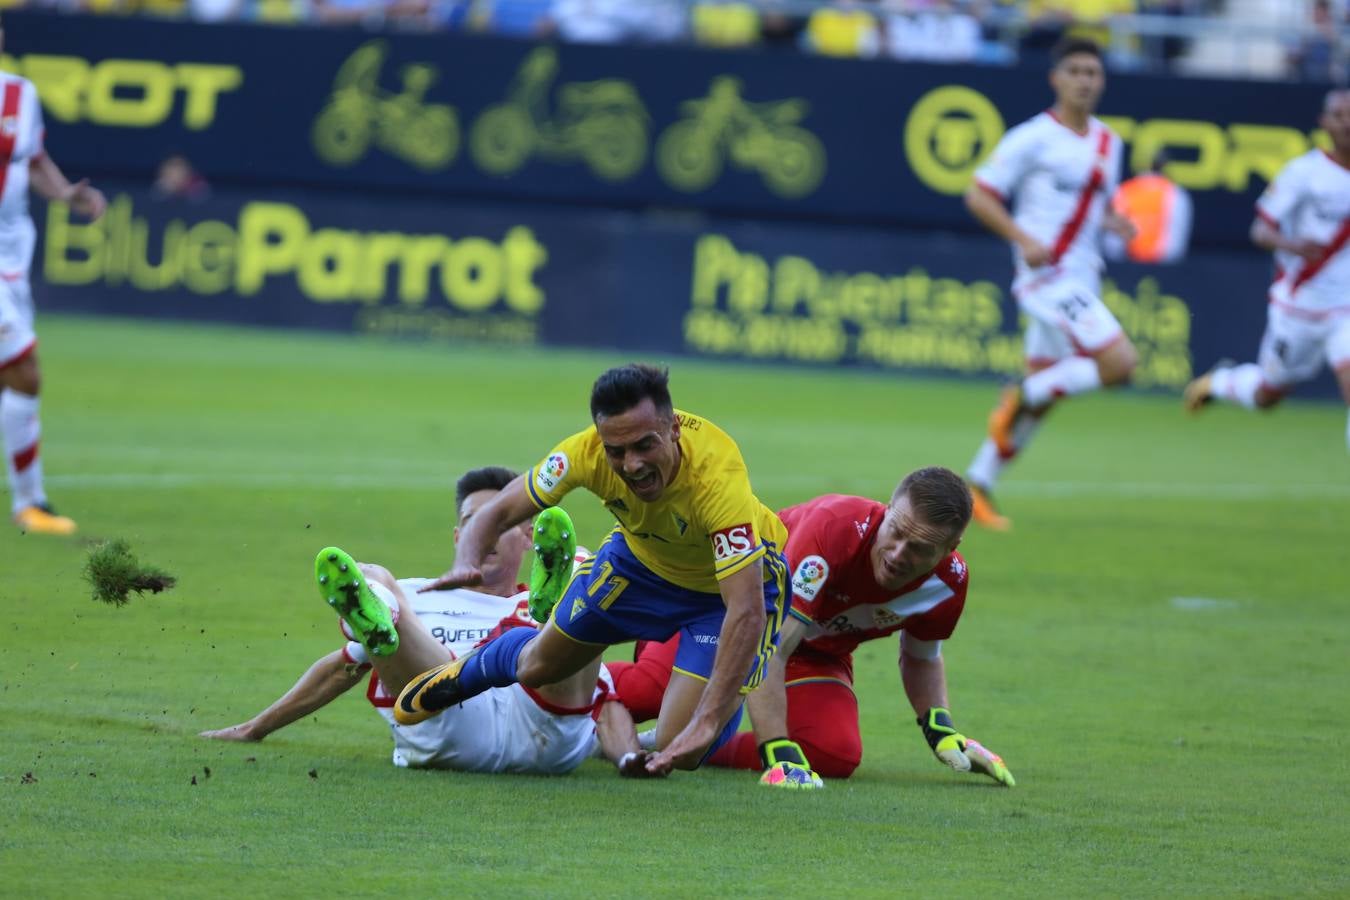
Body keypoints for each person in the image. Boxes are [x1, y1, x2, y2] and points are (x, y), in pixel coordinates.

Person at [395, 364, 811, 782]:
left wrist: (707, 722)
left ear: (672, 430)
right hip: (638, 564)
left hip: (721, 593)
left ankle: (714, 718)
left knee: (681, 746)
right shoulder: (584, 452)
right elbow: (499, 509)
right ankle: (467, 671)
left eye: (645, 445)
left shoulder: (717, 478)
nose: (631, 465)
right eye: (617, 451)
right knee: (538, 668)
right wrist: (465, 559)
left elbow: (746, 610)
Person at [201, 466, 652, 776]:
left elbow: (606, 704)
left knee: (583, 589)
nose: (484, 532)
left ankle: (560, 588)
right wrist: (253, 728)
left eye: (498, 522)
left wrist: (632, 758)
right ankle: (372, 605)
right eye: (473, 524)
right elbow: (341, 669)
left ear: (528, 536)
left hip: (543, 722)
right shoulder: (417, 595)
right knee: (379, 576)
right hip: (442, 715)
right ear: (460, 538)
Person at [610, 468, 1014, 786]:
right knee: (646, 692)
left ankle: (669, 742)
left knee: (833, 752)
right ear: (887, 510)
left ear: (949, 550)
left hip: (816, 652)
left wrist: (940, 729)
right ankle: (557, 655)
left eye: (921, 549)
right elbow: (769, 648)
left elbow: (921, 656)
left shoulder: (949, 583)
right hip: (721, 615)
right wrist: (777, 752)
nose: (898, 554)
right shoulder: (833, 528)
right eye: (896, 532)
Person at [962, 37, 1138, 531]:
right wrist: (1022, 238)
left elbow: (1094, 206)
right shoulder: (1031, 137)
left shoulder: (1109, 142)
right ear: (1056, 78)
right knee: (1120, 363)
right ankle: (1019, 392)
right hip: (1047, 278)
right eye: (1076, 71)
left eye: (1093, 73)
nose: (1085, 80)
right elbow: (978, 195)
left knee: (1047, 396)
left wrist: (1114, 222)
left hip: (1084, 276)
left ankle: (978, 483)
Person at [1183, 90, 1350, 451]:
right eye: (1339, 115)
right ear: (1324, 123)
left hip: (1345, 309)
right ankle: (1218, 383)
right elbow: (1259, 231)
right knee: (1267, 396)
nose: (1347, 122)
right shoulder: (1304, 172)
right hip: (1299, 305)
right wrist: (1294, 245)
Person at [0, 17, 107, 535]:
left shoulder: (20, 94)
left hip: (12, 251)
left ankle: (29, 502)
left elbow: (33, 160)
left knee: (14, 375)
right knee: (24, 369)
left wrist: (66, 193)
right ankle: (30, 502)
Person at [1109, 151, 1192, 264]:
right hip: (1163, 267)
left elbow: (1113, 243)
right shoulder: (1176, 194)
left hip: (1127, 265)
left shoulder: (1124, 191)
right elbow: (1176, 241)